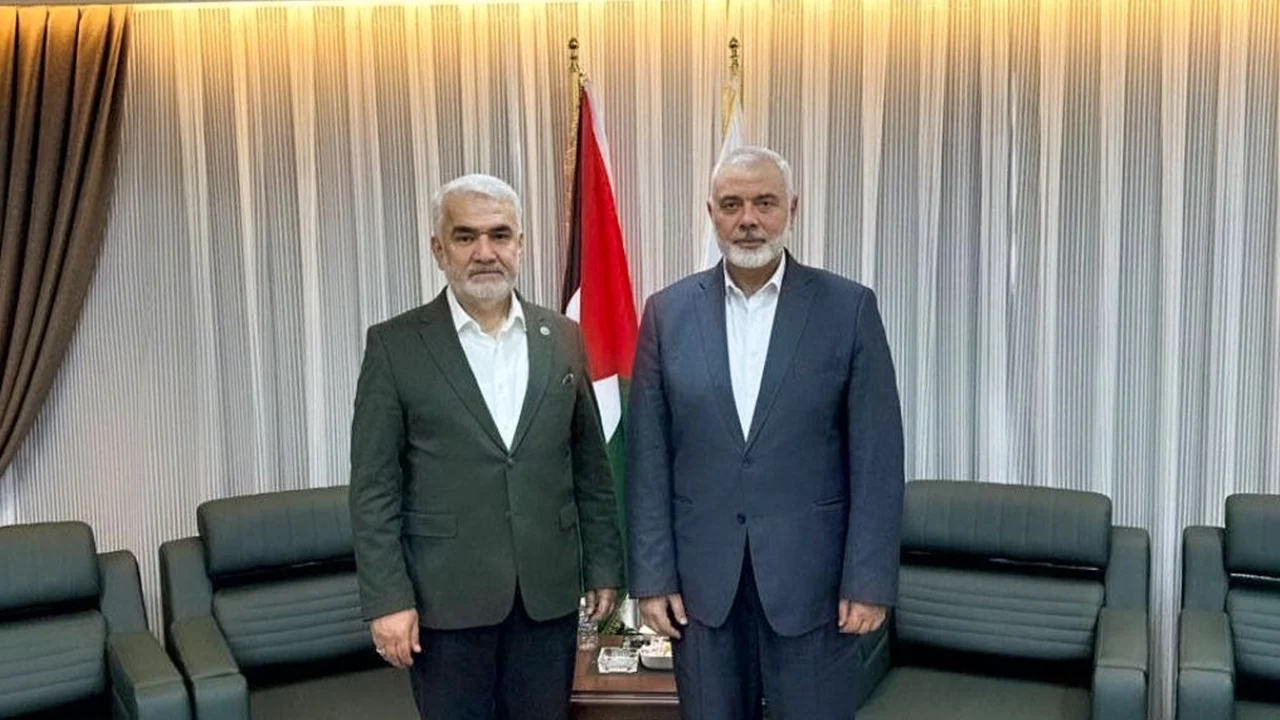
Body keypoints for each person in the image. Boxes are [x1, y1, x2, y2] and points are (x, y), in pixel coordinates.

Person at [626, 146, 905, 719]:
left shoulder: (848, 308)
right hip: (702, 592)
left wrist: (869, 579)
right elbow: (648, 457)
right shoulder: (667, 313)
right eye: (732, 204)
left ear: (791, 209)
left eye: (764, 203)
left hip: (816, 587)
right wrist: (651, 578)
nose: (748, 218)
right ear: (711, 213)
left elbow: (877, 457)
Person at [350, 173, 623, 720]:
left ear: (520, 244)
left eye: (499, 235)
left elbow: (590, 468)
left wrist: (603, 567)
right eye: (465, 236)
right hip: (445, 606)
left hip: (546, 599)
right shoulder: (395, 345)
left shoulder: (562, 338)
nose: (484, 252)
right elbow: (374, 490)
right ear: (438, 249)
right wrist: (388, 600)